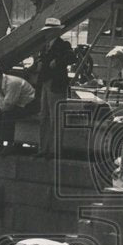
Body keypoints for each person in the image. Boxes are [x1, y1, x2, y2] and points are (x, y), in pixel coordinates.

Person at [34, 19, 75, 158]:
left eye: (49, 31)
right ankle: (43, 148)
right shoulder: (45, 47)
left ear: (56, 32)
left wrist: (57, 62)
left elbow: (72, 57)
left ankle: (54, 150)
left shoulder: (63, 45)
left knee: (55, 118)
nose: (47, 34)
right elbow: (41, 62)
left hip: (56, 84)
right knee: (44, 116)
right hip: (46, 84)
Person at [0, 63, 36, 156]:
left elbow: (10, 103)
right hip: (16, 103)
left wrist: (2, 108)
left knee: (9, 114)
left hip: (30, 104)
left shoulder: (12, 83)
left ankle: (9, 144)